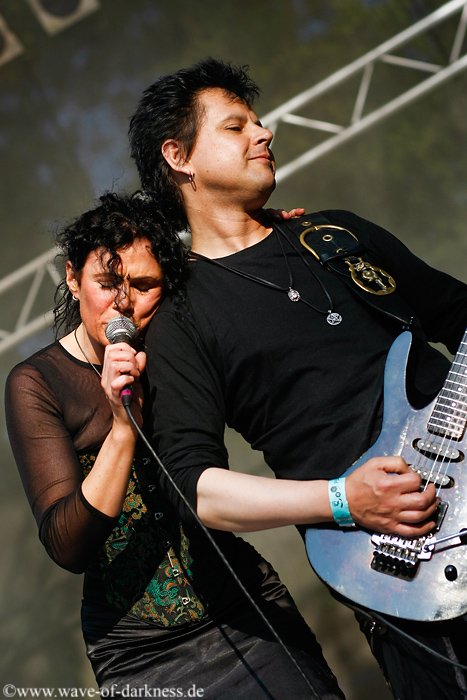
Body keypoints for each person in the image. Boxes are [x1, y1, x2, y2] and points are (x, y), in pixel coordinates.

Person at [128, 57, 467, 700]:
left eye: (258, 121)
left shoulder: (336, 235)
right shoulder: (180, 318)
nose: (265, 133)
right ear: (179, 156)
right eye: (236, 126)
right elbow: (197, 489)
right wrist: (343, 500)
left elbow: (456, 311)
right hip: (401, 563)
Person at [5, 191, 345, 699]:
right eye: (106, 283)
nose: (123, 302)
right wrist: (122, 427)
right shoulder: (37, 383)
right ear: (72, 278)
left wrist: (262, 232)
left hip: (244, 608)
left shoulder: (178, 343)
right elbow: (67, 545)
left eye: (144, 285)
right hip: (139, 651)